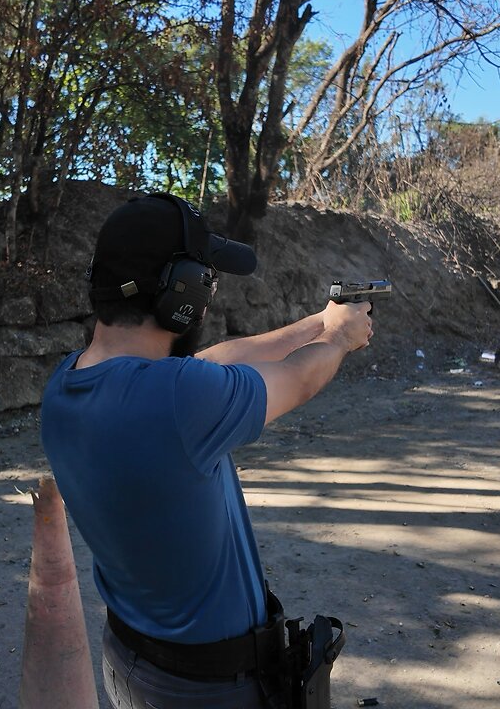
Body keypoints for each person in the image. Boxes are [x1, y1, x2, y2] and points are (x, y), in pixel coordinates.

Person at [39, 193, 372, 708]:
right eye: (206, 278)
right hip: (209, 690)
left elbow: (215, 360)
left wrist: (318, 323)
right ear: (179, 288)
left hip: (130, 657)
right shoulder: (177, 398)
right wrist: (340, 340)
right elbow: (297, 379)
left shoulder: (67, 384)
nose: (211, 295)